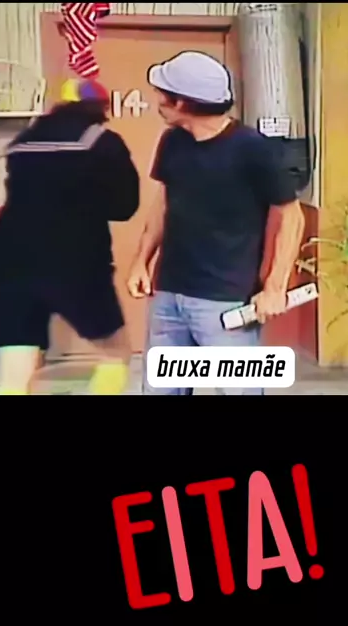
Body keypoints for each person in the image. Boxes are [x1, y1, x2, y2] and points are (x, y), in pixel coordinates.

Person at [127, 50, 305, 395]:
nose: (157, 100)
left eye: (162, 93)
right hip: (169, 295)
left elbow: (291, 216)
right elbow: (163, 202)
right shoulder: (173, 141)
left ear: (181, 102)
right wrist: (141, 261)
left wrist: (275, 287)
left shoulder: (254, 149)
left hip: (226, 301)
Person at [0, 78, 140, 395]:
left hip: (10, 261)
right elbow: (125, 206)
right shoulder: (102, 141)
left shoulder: (23, 142)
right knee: (115, 353)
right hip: (76, 261)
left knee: (13, 372)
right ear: (101, 108)